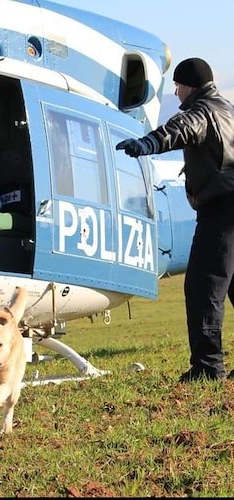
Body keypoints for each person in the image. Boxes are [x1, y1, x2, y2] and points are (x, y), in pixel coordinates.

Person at [116, 58, 234, 382]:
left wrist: (146, 144)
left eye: (178, 86)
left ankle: (209, 368)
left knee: (203, 286)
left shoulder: (202, 111)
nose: (176, 92)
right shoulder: (228, 110)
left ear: (189, 86)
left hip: (223, 209)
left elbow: (180, 129)